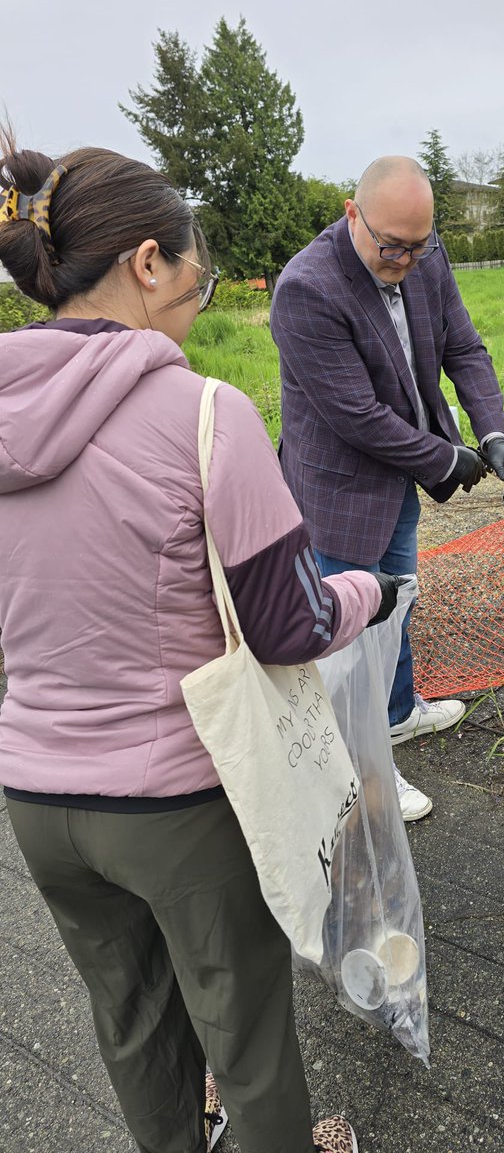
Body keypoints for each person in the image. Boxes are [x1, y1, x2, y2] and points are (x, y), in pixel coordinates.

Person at [0, 136, 401, 1153]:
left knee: (132, 1028)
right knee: (250, 1038)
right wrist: (369, 591)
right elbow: (287, 626)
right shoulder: (206, 417)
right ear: (145, 262)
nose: (197, 296)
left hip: (38, 803)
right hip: (181, 802)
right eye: (195, 273)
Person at [271, 155, 504, 822]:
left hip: (400, 472)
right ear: (352, 214)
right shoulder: (307, 288)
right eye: (392, 246)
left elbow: (464, 348)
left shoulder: (424, 256)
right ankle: (358, 773)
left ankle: (397, 713)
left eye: (418, 246)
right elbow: (356, 417)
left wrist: (491, 434)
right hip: (337, 485)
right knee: (345, 635)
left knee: (398, 597)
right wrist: (447, 462)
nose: (406, 261)